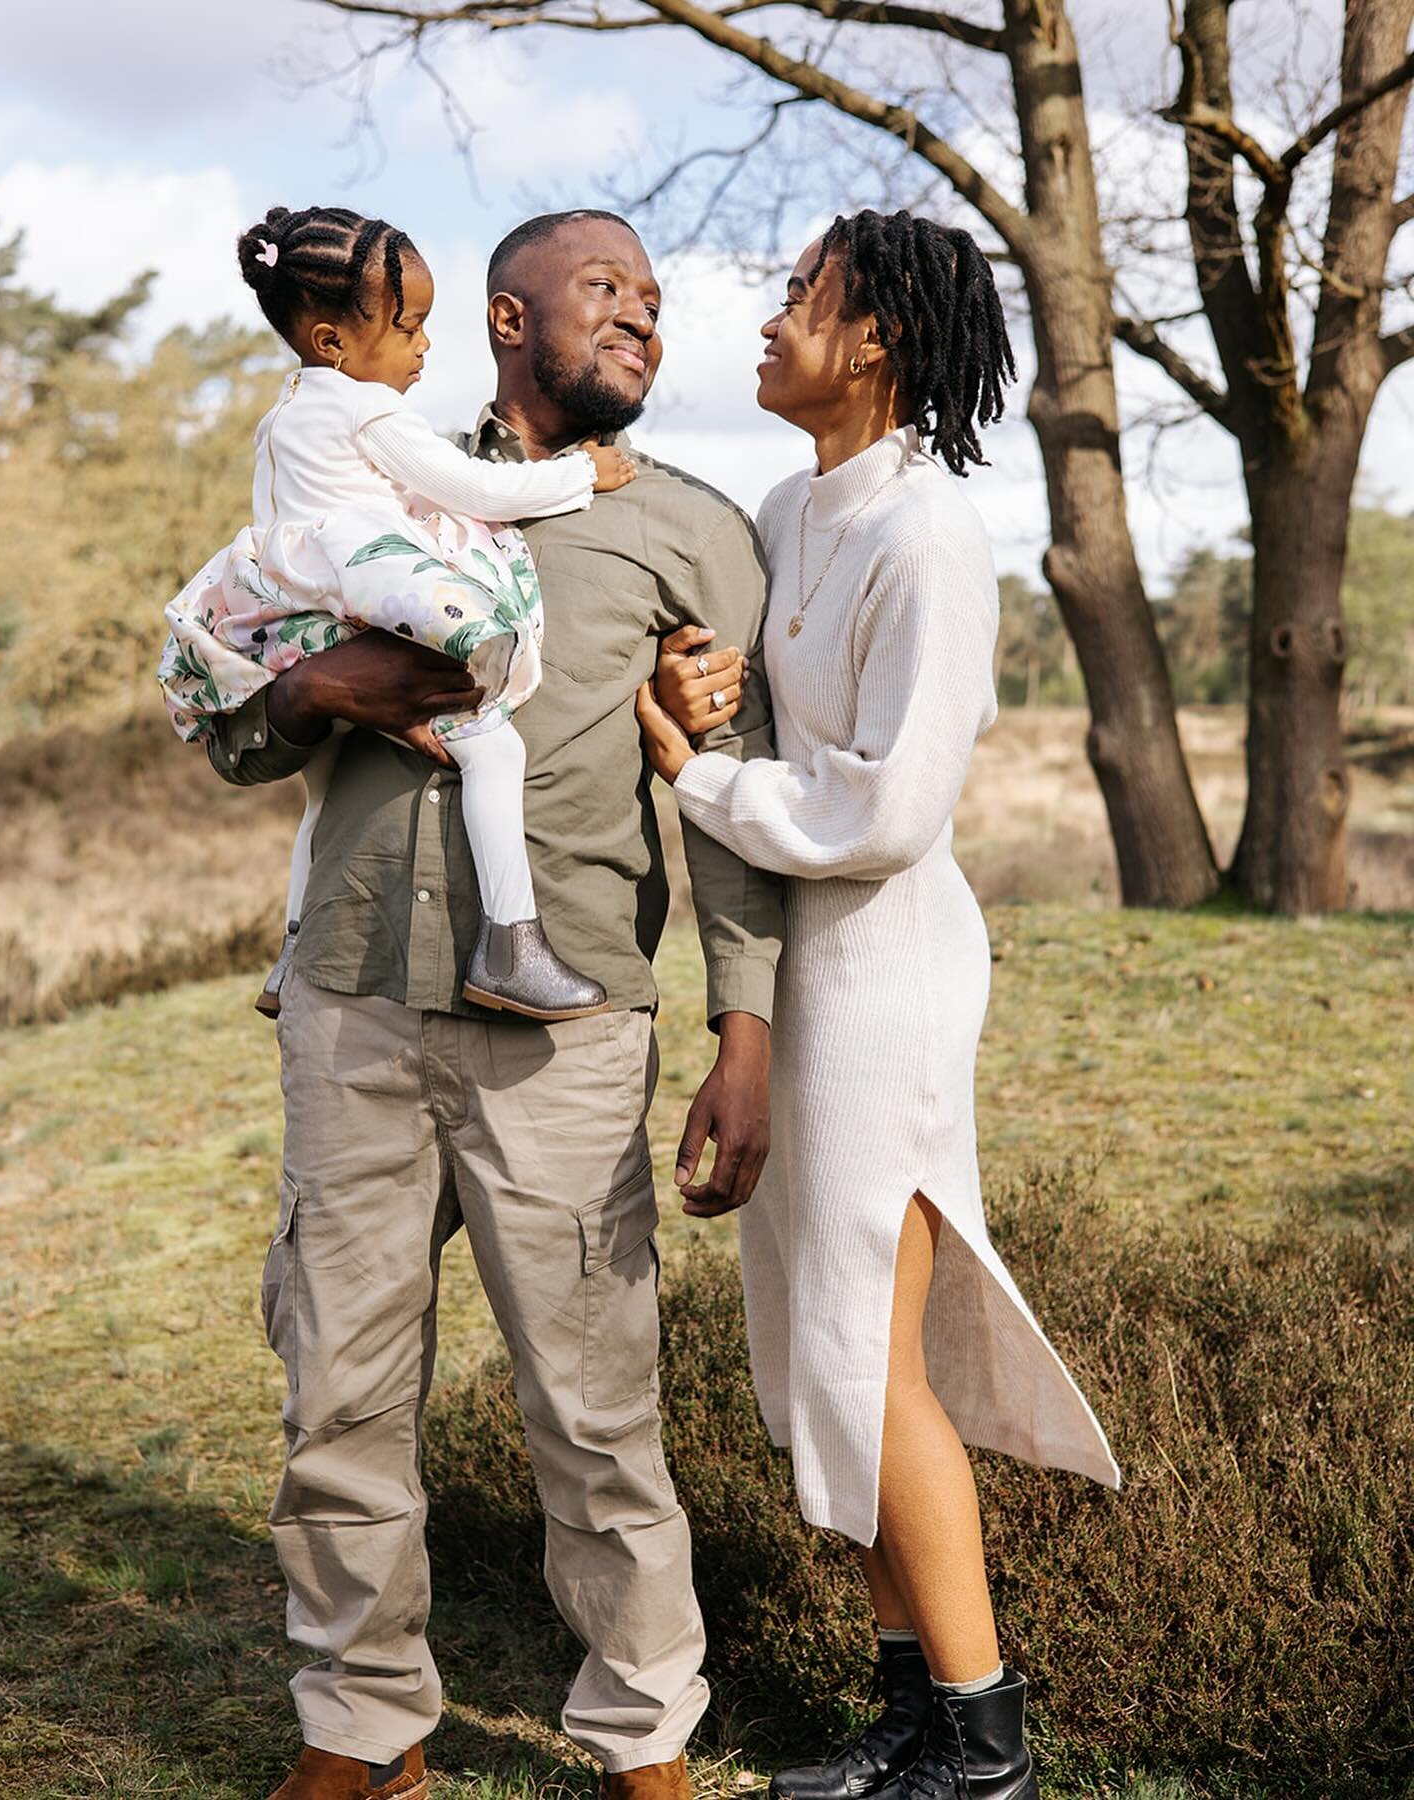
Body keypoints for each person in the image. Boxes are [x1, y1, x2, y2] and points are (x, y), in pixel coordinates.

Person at [204, 208, 783, 1800]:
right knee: (338, 1393)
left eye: (654, 297)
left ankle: (643, 1738)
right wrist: (308, 692)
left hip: (566, 1032)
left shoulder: (691, 529)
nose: (643, 316)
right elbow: (233, 720)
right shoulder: (364, 472)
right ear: (509, 318)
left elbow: (735, 792)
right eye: (606, 288)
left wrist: (742, 1031)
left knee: (594, 1410)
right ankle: (361, 1729)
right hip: (351, 1008)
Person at [637, 210, 1120, 1800]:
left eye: (804, 297)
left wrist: (705, 778)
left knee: (866, 1360)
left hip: (887, 974)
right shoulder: (790, 509)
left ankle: (985, 1751)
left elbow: (890, 811)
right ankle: (910, 1719)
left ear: (875, 342)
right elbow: (763, 722)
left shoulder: (928, 539)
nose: (771, 320)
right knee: (816, 1367)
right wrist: (701, 704)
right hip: (805, 971)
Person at [160, 203, 639, 1020]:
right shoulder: (365, 409)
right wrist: (580, 476)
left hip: (295, 623)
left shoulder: (283, 417)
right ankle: (511, 945)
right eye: (407, 326)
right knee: (493, 749)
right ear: (333, 343)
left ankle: (291, 954)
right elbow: (474, 487)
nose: (424, 346)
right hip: (368, 599)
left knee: (319, 798)